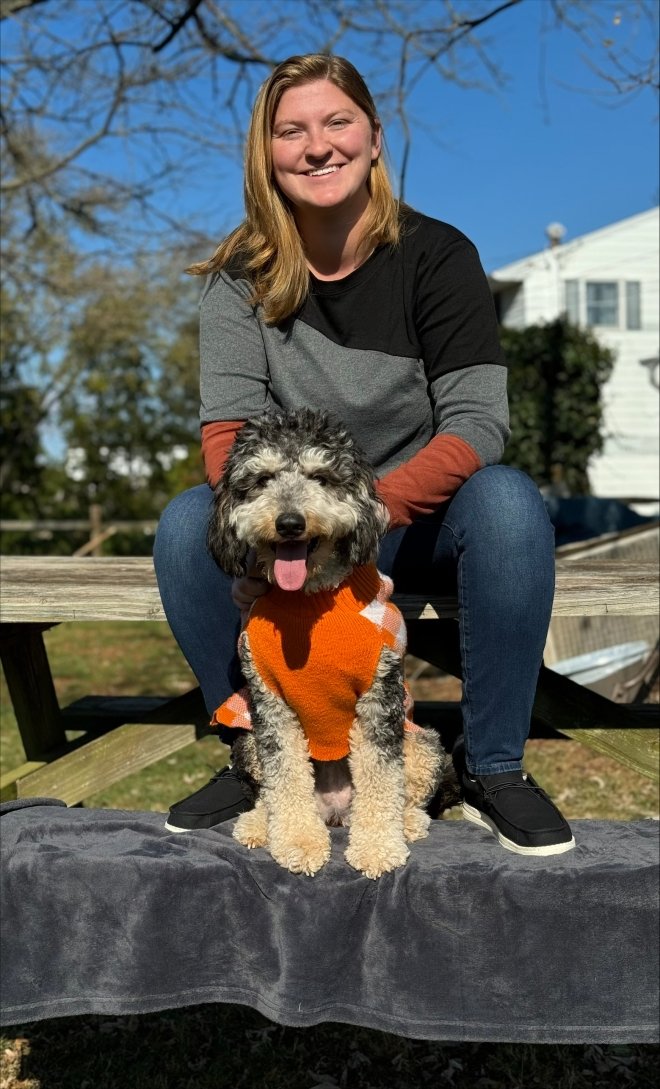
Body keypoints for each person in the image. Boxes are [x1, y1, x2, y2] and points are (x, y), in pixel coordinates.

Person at [154, 52, 574, 856]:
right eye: (291, 130)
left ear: (374, 138)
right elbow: (226, 437)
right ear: (266, 153)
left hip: (406, 523)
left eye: (337, 122)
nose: (317, 146)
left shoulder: (439, 255)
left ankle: (494, 768)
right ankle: (254, 755)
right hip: (288, 533)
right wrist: (289, 523)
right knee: (182, 524)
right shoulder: (239, 275)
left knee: (511, 503)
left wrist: (358, 520)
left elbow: (478, 424)